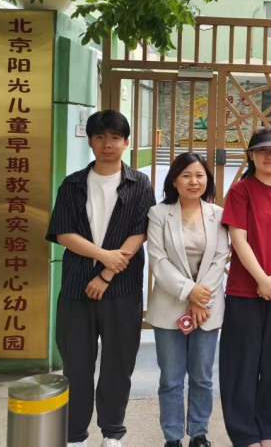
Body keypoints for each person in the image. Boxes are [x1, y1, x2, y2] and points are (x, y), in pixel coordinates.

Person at [45, 110, 156, 447]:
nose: (108, 144)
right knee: (76, 365)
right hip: (77, 288)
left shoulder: (140, 183)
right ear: (91, 141)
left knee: (118, 365)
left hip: (122, 289)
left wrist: (106, 273)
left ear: (126, 142)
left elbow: (140, 231)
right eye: (100, 137)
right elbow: (63, 232)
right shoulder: (72, 184)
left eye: (115, 137)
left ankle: (112, 433)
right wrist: (103, 256)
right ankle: (76, 436)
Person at [219, 127, 271, 447]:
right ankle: (245, 433)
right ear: (251, 155)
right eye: (263, 151)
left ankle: (270, 430)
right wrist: (262, 279)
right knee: (242, 363)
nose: (270, 156)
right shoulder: (240, 191)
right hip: (244, 291)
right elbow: (238, 239)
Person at [146, 153, 230, 447]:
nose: (194, 181)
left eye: (200, 175)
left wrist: (199, 299)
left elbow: (220, 259)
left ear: (207, 180)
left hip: (206, 308)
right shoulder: (158, 214)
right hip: (169, 306)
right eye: (186, 175)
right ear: (174, 181)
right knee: (170, 378)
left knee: (202, 377)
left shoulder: (218, 214)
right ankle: (172, 436)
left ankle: (198, 433)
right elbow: (158, 260)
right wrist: (189, 292)